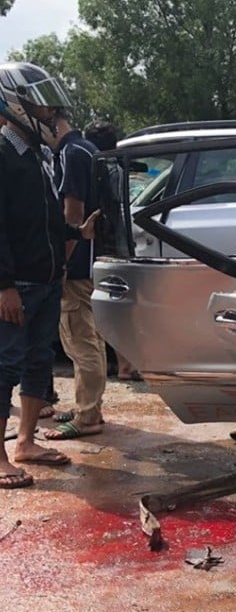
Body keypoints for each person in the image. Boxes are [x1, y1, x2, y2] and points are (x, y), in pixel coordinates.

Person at [0, 62, 99, 488]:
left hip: (45, 280)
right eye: (42, 105)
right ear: (15, 105)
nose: (50, 113)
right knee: (5, 366)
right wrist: (4, 285)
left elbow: (44, 220)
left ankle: (25, 442)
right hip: (16, 285)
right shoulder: (3, 154)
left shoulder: (37, 155)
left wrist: (75, 235)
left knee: (39, 362)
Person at [40, 110, 107, 440]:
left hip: (77, 264)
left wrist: (60, 264)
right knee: (90, 338)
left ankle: (87, 415)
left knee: (80, 340)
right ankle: (88, 407)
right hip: (90, 261)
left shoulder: (70, 153)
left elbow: (73, 214)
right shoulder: (86, 149)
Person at [82, 119, 140, 382]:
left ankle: (121, 363)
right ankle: (123, 363)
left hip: (106, 244)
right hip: (117, 242)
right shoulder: (117, 166)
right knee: (117, 303)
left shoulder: (102, 167)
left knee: (110, 302)